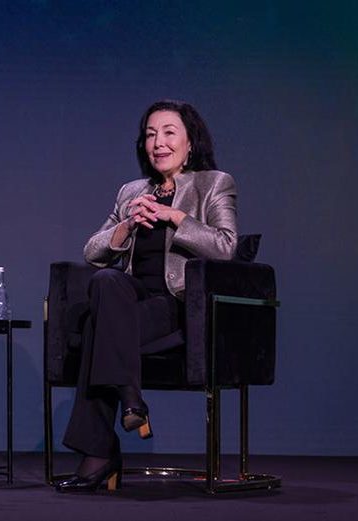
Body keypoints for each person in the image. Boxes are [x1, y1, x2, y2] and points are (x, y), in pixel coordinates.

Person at [55, 100, 237, 493]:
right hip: (130, 298)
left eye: (169, 132)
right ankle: (131, 399)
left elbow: (226, 246)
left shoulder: (213, 184)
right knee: (105, 282)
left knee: (94, 329)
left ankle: (99, 454)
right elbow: (92, 250)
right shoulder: (132, 191)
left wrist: (176, 217)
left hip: (177, 304)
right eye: (151, 134)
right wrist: (124, 227)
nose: (158, 142)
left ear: (190, 143)